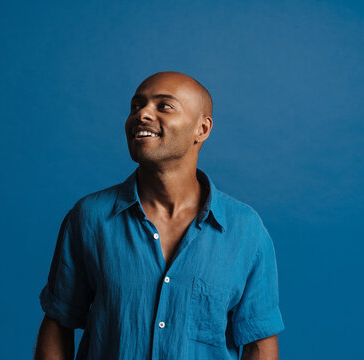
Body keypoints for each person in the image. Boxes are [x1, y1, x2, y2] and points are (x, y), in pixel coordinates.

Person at [34, 71, 285, 359]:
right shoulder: (89, 218)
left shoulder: (245, 230)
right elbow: (58, 323)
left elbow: (259, 345)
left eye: (163, 106)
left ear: (201, 129)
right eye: (136, 106)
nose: (141, 115)